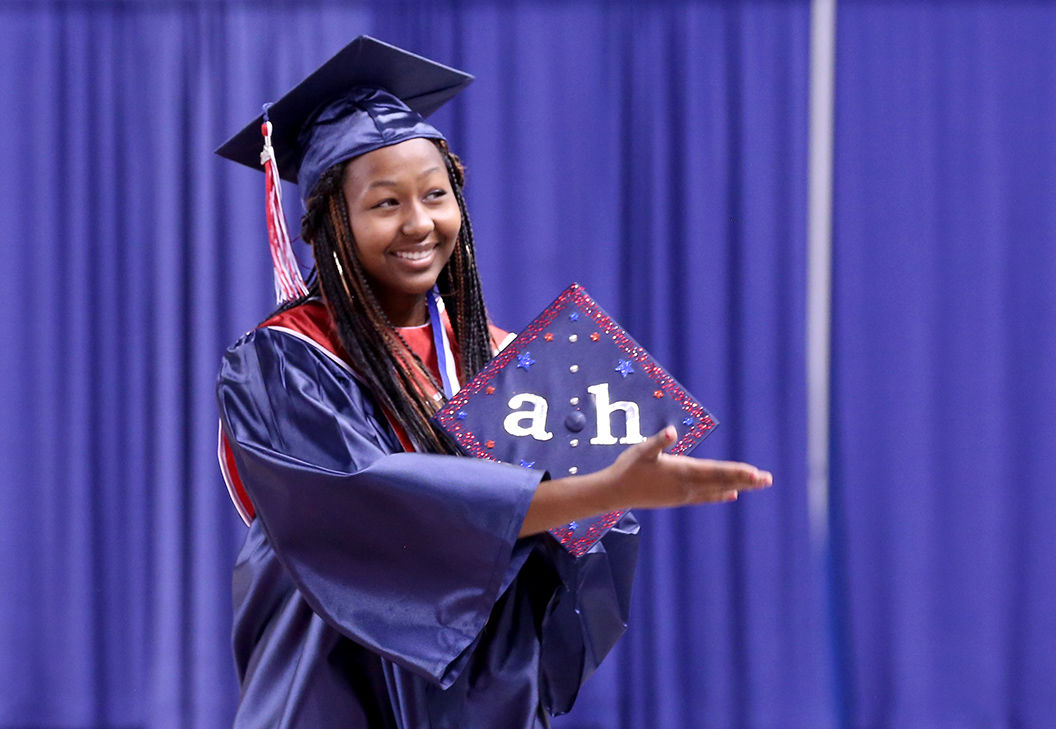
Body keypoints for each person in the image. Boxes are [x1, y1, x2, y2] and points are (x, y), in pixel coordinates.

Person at [214, 36, 772, 729]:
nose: (420, 223)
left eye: (436, 194)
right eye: (385, 203)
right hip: (330, 691)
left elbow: (578, 564)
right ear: (333, 220)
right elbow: (377, 510)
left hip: (471, 706)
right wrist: (603, 488)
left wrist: (605, 503)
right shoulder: (284, 360)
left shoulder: (507, 361)